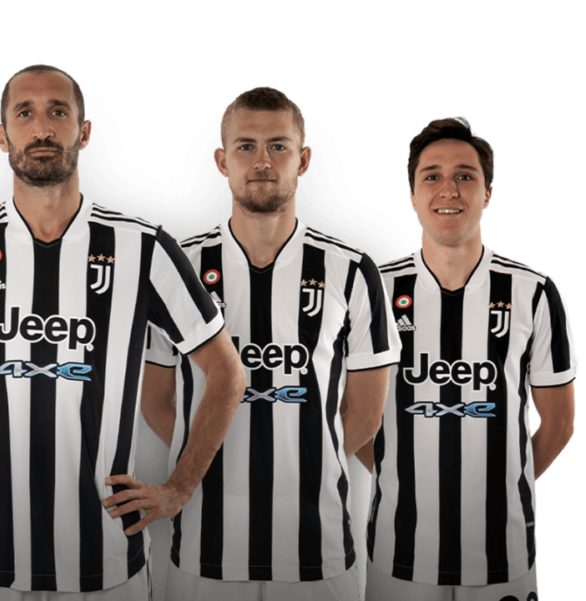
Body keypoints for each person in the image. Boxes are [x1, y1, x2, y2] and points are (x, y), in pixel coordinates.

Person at [0, 64, 245, 600]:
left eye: (58, 112)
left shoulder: (144, 247)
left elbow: (227, 373)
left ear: (84, 132)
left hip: (108, 564)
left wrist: (178, 488)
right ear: (1, 136)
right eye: (25, 113)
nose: (42, 128)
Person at [143, 85, 401, 601]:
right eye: (246, 146)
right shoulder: (177, 268)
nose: (262, 161)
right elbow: (155, 400)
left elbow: (366, 414)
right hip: (204, 549)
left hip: (318, 553)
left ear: (303, 160)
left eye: (278, 146)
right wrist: (214, 457)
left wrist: (307, 462)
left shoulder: (353, 270)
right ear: (222, 161)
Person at [358, 116, 576, 600]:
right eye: (432, 176)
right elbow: (348, 411)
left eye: (465, 175)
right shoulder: (374, 292)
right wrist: (398, 475)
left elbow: (560, 422)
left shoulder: (534, 292)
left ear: (488, 192)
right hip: (400, 553)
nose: (449, 190)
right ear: (412, 195)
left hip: (502, 555)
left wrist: (504, 485)